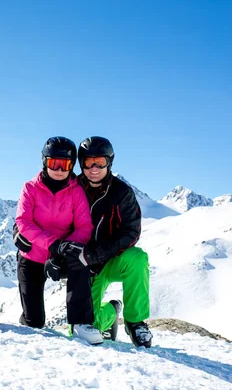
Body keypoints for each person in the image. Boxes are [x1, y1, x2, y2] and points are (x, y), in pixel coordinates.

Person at [15, 136, 153, 348]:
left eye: (100, 162)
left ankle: (135, 322)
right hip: (84, 263)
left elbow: (131, 232)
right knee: (90, 327)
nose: (94, 168)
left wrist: (94, 254)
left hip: (104, 258)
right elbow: (31, 217)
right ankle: (111, 312)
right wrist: (18, 231)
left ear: (110, 161)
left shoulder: (121, 193)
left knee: (138, 258)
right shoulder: (71, 184)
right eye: (88, 163)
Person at [15, 136, 103, 345]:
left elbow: (84, 227)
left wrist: (62, 251)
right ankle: (28, 317)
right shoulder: (30, 188)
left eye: (65, 164)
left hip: (62, 257)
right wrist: (53, 245)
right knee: (34, 323)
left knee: (79, 260)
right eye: (54, 163)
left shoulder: (76, 191)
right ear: (44, 162)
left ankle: (81, 323)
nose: (59, 169)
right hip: (33, 256)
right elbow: (23, 222)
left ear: (72, 165)